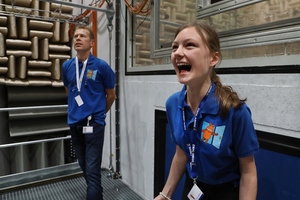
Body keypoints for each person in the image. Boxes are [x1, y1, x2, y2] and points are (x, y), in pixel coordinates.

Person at [154, 21, 259, 200]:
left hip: (225, 193)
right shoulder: (173, 104)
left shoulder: (235, 111)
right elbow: (181, 154)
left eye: (189, 45)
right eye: (174, 47)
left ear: (213, 58)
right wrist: (165, 194)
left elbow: (248, 172)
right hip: (193, 188)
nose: (178, 53)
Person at [62, 25, 116, 200]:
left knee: (92, 170)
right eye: (76, 36)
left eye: (83, 36)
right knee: (84, 165)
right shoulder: (67, 66)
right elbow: (69, 91)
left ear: (92, 42)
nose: (77, 38)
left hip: (94, 123)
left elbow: (111, 95)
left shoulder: (102, 67)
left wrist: (99, 114)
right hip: (75, 123)